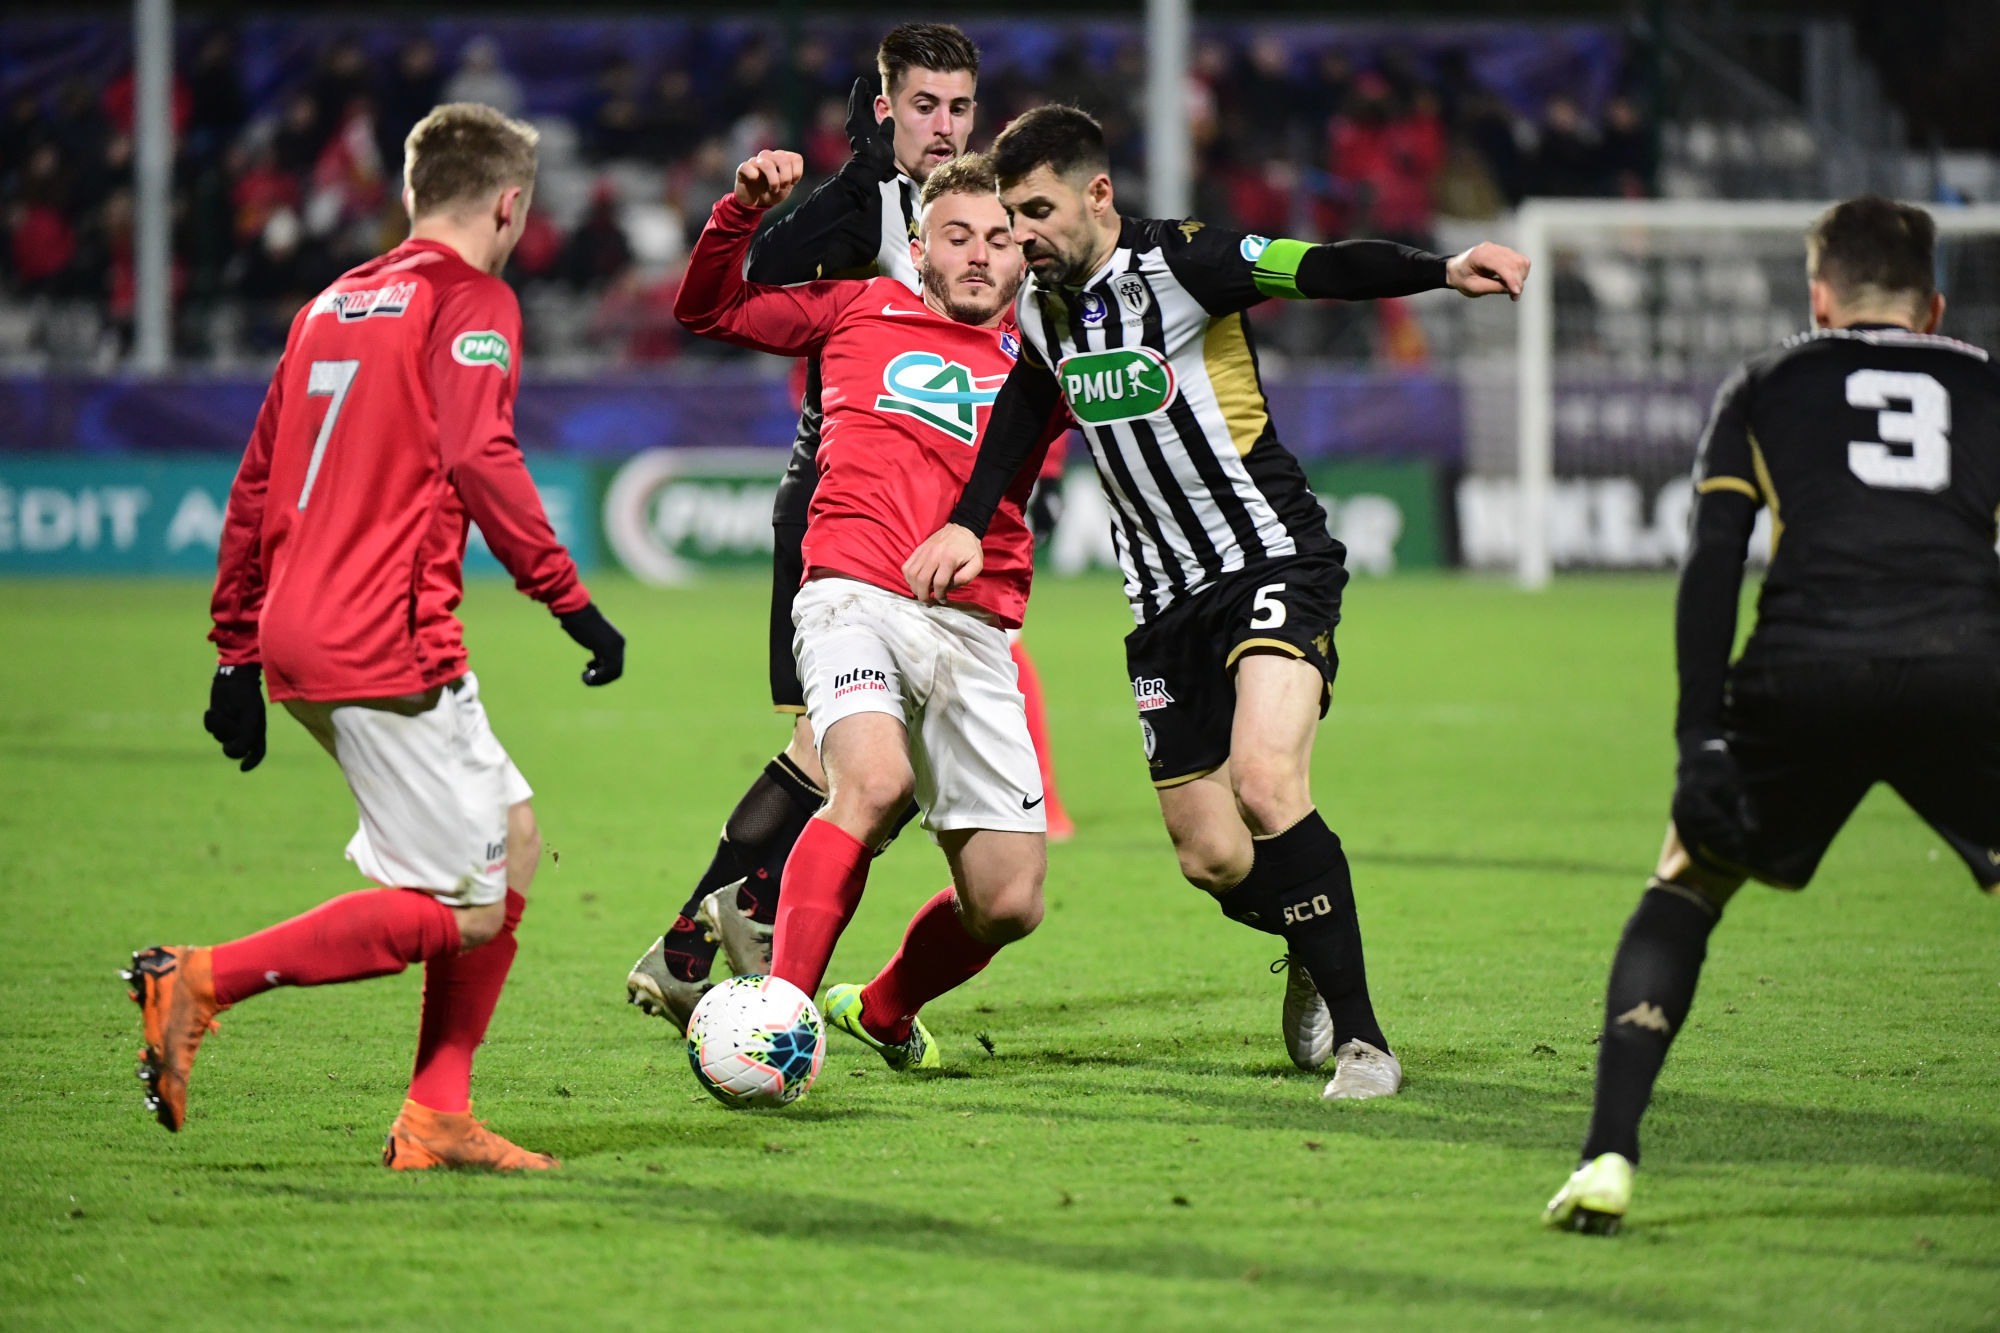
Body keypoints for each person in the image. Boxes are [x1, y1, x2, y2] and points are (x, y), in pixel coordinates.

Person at [905, 104, 1528, 1101]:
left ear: (1096, 194)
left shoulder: (1187, 262)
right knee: (1210, 857)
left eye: (1035, 212)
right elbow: (1027, 408)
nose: (1019, 238)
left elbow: (1318, 267)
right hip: (1160, 604)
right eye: (1009, 218)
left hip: (1269, 559)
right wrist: (970, 521)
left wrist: (1441, 269)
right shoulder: (1042, 303)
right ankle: (1309, 947)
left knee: (1264, 781)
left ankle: (1365, 1044)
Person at [125, 103, 626, 1171]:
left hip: (304, 625)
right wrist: (567, 598)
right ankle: (200, 979)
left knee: (515, 831)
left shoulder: (329, 304)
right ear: (509, 204)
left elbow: (256, 480)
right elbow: (481, 451)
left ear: (408, 194)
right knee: (469, 912)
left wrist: (233, 650)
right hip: (384, 639)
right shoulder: (470, 298)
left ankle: (437, 1114)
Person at [1545, 196, 2000, 1234]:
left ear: (1818, 295)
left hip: (1804, 666)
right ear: (1929, 303)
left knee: (1686, 880)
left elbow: (1711, 565)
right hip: (1963, 666)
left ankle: (1607, 1155)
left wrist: (1696, 737)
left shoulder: (1765, 381)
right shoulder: (1983, 382)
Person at [627, 23, 1067, 1024]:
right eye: (923, 105)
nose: (942, 124)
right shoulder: (856, 215)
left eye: (958, 106)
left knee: (841, 766)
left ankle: (714, 929)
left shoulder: (1008, 235)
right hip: (840, 520)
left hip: (952, 551)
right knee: (857, 769)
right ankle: (749, 954)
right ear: (885, 110)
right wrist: (739, 214)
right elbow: (732, 301)